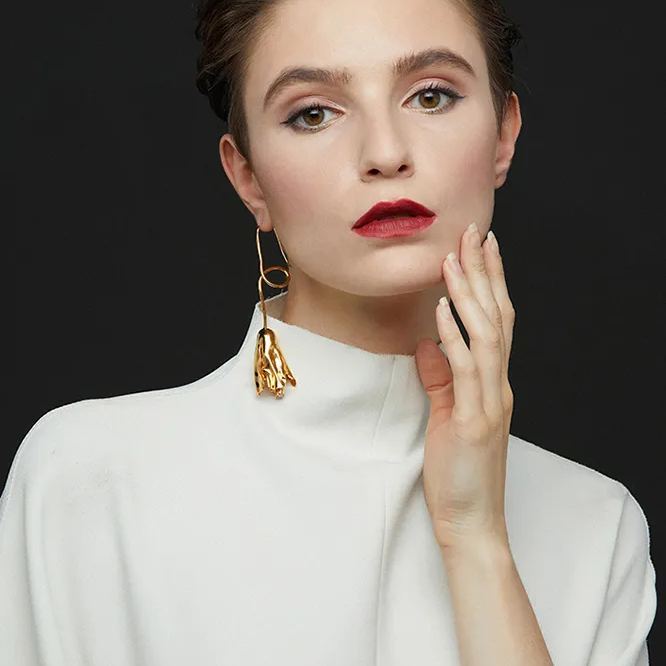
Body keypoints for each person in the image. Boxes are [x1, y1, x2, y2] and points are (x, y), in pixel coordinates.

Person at [1, 0, 656, 664]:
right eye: (313, 113)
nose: (385, 153)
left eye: (431, 95)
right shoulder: (90, 482)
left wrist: (477, 540)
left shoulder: (596, 528)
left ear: (504, 135)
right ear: (248, 178)